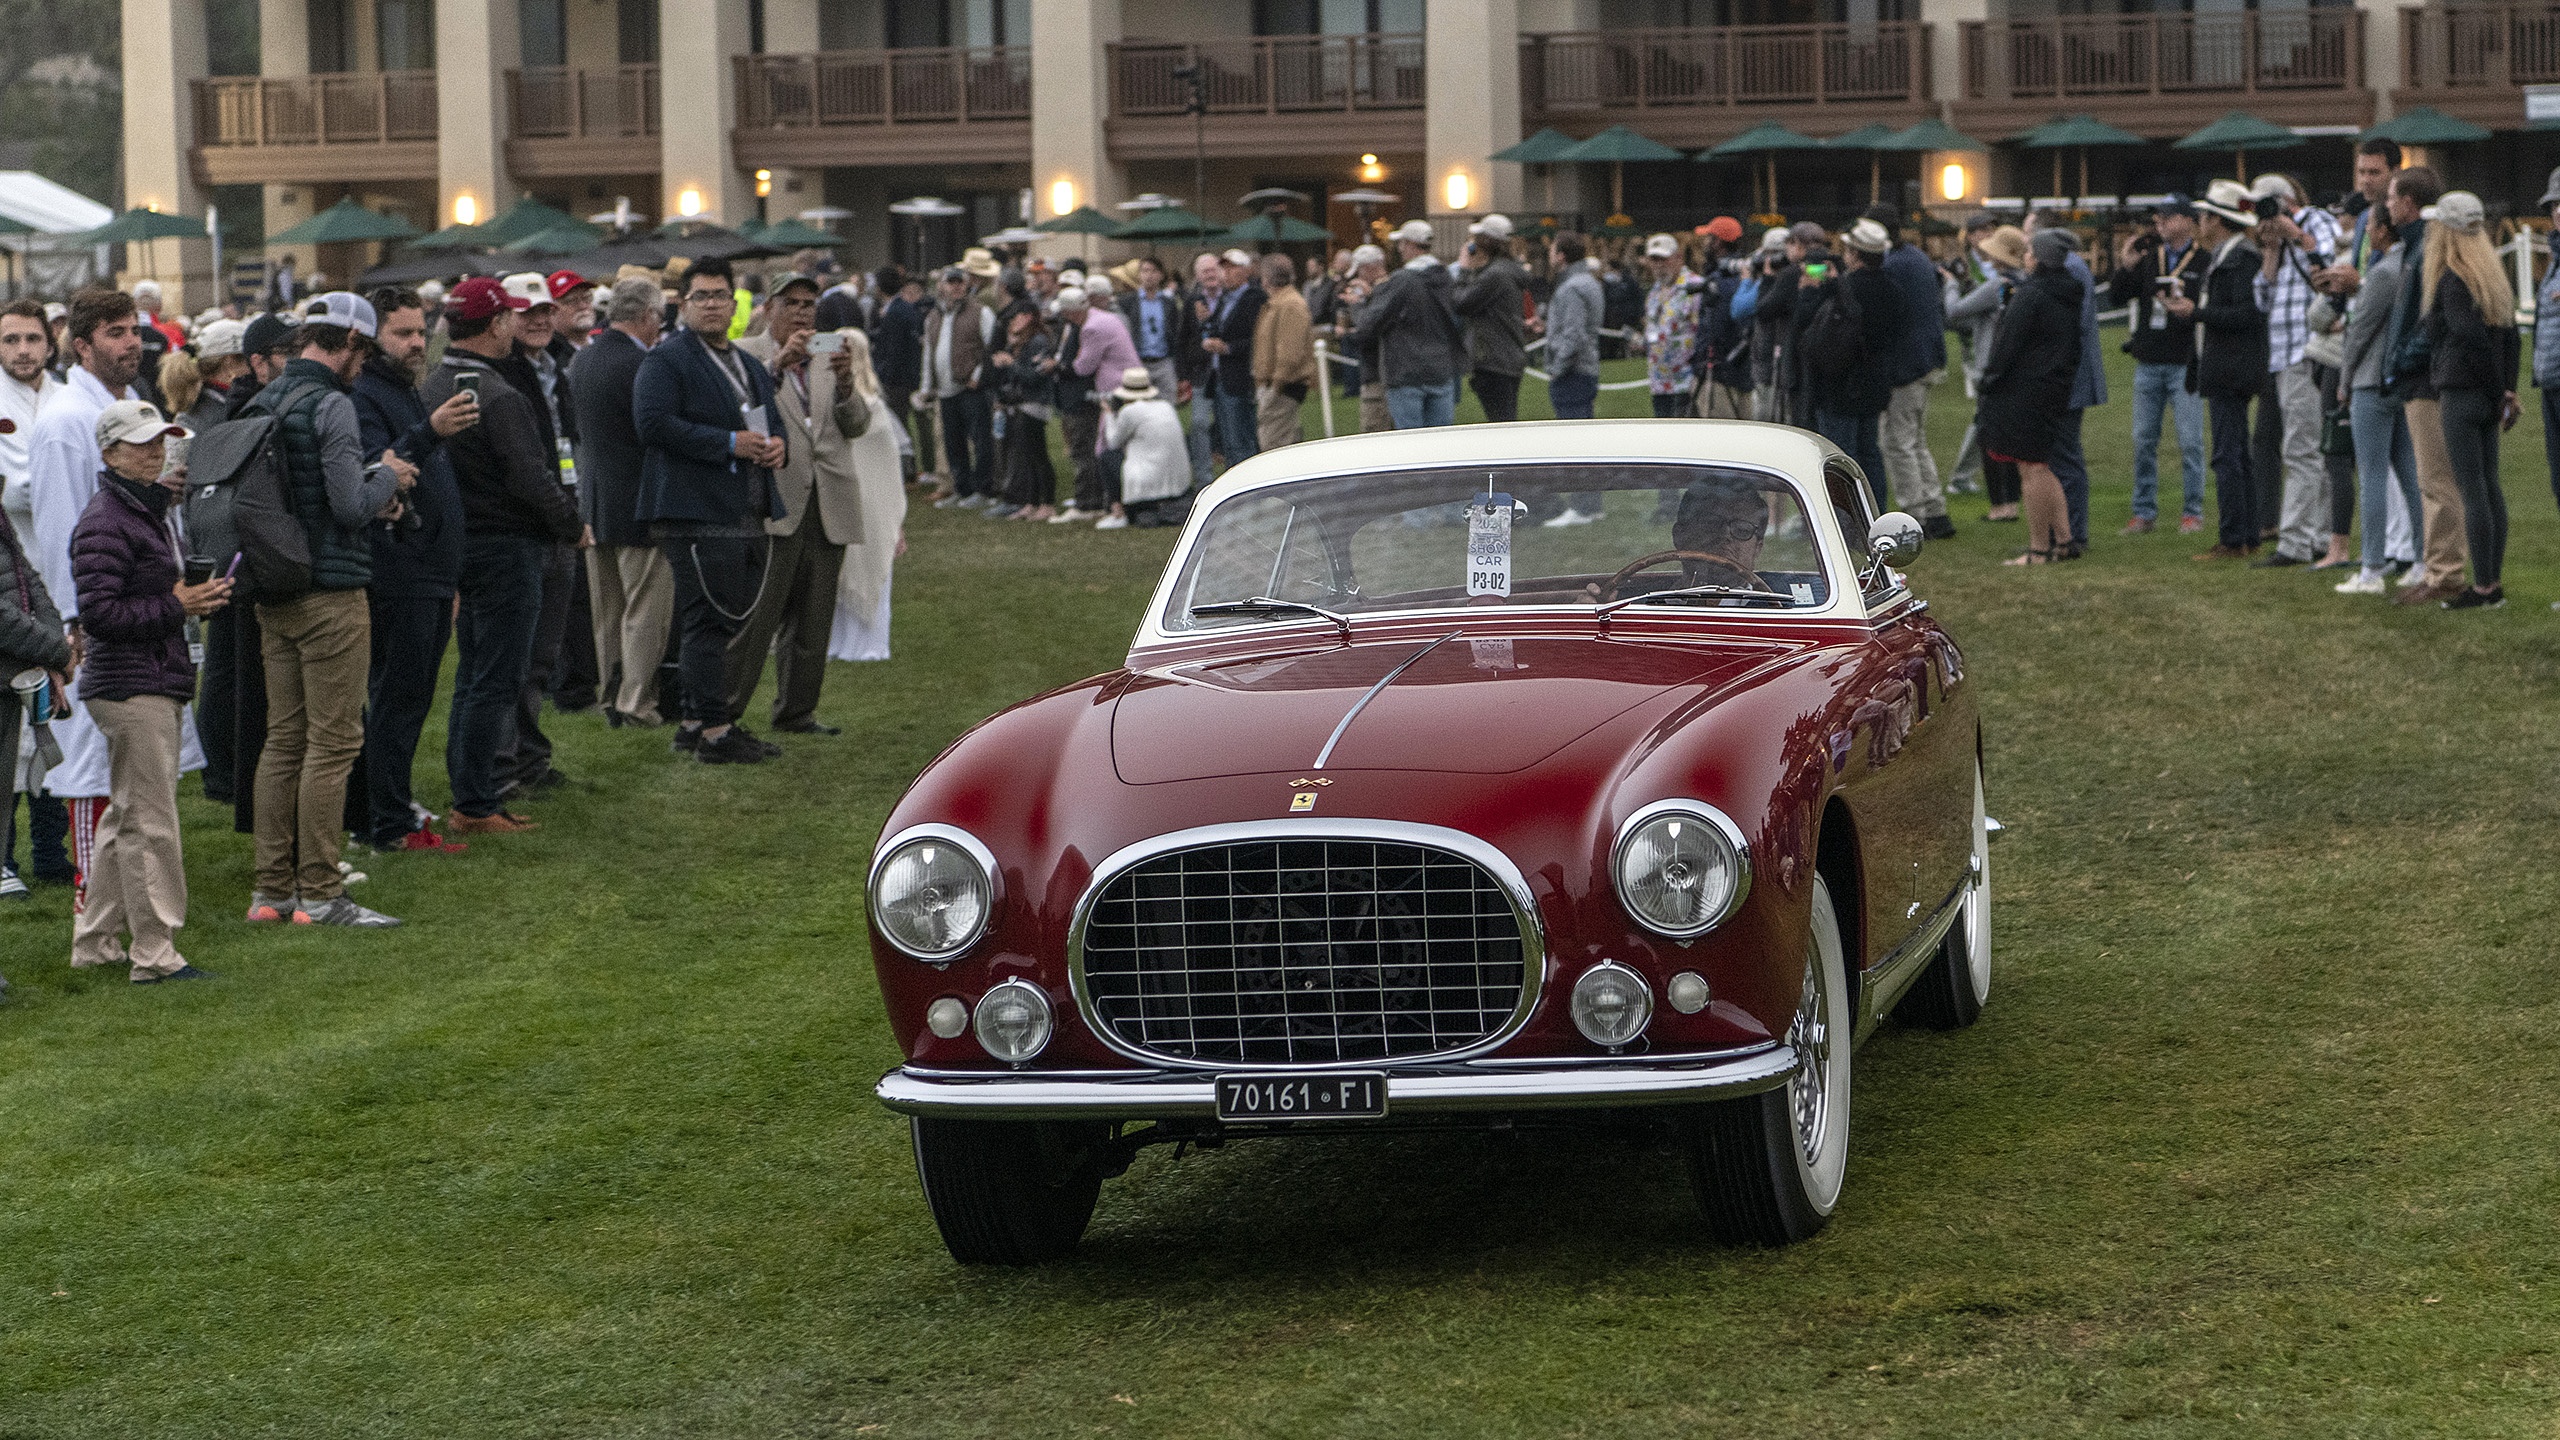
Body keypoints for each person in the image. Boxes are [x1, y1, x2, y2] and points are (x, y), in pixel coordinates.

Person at [26, 288, 206, 904]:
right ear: (81, 345)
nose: (131, 342)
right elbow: (56, 529)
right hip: (97, 612)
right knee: (92, 762)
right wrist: (69, 621)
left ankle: (130, 894)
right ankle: (91, 891)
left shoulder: (134, 404)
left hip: (144, 601)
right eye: (114, 332)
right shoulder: (62, 420)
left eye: (133, 330)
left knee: (139, 770)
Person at [242, 293, 409, 928]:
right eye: (361, 354)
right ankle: (320, 892)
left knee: (283, 741)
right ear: (349, 346)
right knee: (333, 744)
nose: (362, 367)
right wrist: (388, 476)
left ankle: (271, 892)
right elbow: (347, 504)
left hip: (272, 591)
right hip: (331, 592)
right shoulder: (331, 403)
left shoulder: (265, 398)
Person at [70, 399, 227, 981]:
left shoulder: (143, 511)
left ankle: (95, 943)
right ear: (109, 453)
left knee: (126, 817)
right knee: (152, 823)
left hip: (146, 679)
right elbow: (100, 615)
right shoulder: (108, 519)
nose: (155, 451)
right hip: (132, 685)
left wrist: (189, 600)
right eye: (140, 443)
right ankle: (155, 955)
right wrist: (177, 603)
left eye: (160, 439)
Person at [424, 278, 583, 830]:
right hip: (507, 547)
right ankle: (475, 803)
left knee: (472, 674)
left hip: (457, 545)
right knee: (495, 678)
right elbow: (529, 478)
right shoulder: (500, 394)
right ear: (496, 326)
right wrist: (570, 524)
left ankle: (471, 794)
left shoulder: (434, 384)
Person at [633, 256, 787, 766]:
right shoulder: (667, 359)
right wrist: (727, 443)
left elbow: (767, 422)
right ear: (683, 303)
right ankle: (718, 732)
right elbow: (652, 423)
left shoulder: (746, 363)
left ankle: (696, 721)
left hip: (743, 507)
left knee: (716, 619)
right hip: (694, 510)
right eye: (702, 296)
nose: (714, 305)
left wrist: (775, 446)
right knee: (709, 622)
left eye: (722, 295)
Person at [354, 287, 478, 855]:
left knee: (409, 695)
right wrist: (431, 430)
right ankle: (388, 822)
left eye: (420, 332)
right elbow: (383, 470)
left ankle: (390, 806)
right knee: (398, 696)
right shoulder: (365, 395)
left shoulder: (406, 390)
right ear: (370, 336)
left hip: (429, 565)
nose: (415, 343)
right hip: (399, 567)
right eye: (401, 333)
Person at [729, 277, 869, 734]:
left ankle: (797, 711)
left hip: (829, 499)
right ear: (769, 308)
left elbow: (856, 426)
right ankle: (725, 715)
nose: (804, 313)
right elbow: (739, 413)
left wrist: (847, 382)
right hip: (776, 499)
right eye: (792, 303)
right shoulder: (746, 354)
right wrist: (775, 366)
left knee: (814, 619)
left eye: (810, 304)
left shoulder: (831, 352)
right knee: (758, 618)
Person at [570, 275, 673, 728]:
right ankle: (637, 702)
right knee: (644, 608)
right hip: (640, 501)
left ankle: (610, 693)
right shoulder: (643, 364)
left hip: (596, 500)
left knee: (606, 612)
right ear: (649, 316)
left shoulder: (584, 359)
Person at [2417, 191, 2518, 611]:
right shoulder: (2490, 276)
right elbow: (2508, 338)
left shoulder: (2452, 278)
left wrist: (2496, 389)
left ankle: (2483, 587)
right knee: (2490, 487)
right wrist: (2505, 390)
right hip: (2488, 394)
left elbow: (2466, 334)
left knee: (2471, 490)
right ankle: (2491, 583)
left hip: (2461, 392)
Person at [2242, 173, 2343, 567]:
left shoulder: (2315, 221)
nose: (2262, 217)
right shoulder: (2275, 245)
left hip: (2311, 349)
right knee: (2311, 446)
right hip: (2284, 353)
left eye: (2266, 207)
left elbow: (2334, 268)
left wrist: (2297, 235)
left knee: (2302, 448)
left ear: (2285, 202)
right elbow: (2262, 299)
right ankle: (2316, 536)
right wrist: (2271, 249)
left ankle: (2296, 542)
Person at [2380, 166, 2468, 606]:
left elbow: (2429, 320)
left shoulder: (2428, 247)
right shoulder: (2415, 246)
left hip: (2428, 378)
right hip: (2420, 376)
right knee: (2429, 478)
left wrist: (2398, 361)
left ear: (2410, 203)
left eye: (2392, 198)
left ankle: (2446, 573)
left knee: (2437, 479)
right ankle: (2437, 568)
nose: (2387, 205)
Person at [2172, 181, 2272, 561]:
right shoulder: (2233, 256)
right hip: (2229, 366)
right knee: (2236, 454)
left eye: (2203, 215)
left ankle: (2234, 538)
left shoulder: (2239, 259)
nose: (2199, 222)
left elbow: (2246, 313)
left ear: (2217, 219)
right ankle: (2246, 535)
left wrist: (2195, 312)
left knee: (2228, 455)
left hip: (2231, 368)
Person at [1977, 230, 2086, 566]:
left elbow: (2009, 344)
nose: (2025, 257)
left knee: (2032, 469)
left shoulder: (2032, 294)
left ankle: (2039, 549)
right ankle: (2064, 540)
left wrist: (1989, 380)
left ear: (2038, 258)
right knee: (2043, 465)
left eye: (2029, 252)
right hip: (2054, 387)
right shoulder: (2068, 291)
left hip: (2026, 390)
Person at [2335, 206, 2423, 597]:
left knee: (2371, 474)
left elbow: (2359, 332)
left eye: (2369, 224)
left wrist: (2344, 379)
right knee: (2409, 474)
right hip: (2398, 383)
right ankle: (2421, 559)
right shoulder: (2408, 265)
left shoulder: (2384, 272)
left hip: (2372, 383)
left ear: (2383, 230)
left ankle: (2371, 568)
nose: (2365, 231)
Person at [2109, 199, 2208, 535]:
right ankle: (2143, 512)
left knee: (2191, 441)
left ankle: (2192, 512)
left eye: (2168, 217)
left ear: (2189, 221)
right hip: (2149, 359)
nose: (2160, 222)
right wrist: (2126, 265)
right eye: (2158, 217)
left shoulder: (2204, 261)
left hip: (2184, 361)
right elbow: (2117, 297)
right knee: (2143, 440)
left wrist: (2190, 308)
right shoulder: (2151, 257)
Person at [0, 463, 71, 912]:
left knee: (22, 767)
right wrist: (58, 651)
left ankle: (37, 856)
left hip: (13, 670)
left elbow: (29, 582)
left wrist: (52, 651)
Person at [823, 328, 909, 663]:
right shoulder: (832, 404)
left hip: (871, 503)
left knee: (867, 562)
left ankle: (866, 643)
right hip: (842, 496)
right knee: (839, 568)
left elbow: (886, 468)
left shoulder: (872, 408)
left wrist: (895, 519)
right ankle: (840, 642)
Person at [1868, 206, 1953, 539]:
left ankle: (1913, 516)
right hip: (1926, 357)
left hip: (1905, 363)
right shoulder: (1915, 257)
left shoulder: (1894, 265)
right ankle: (1935, 509)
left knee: (1898, 443)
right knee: (1915, 441)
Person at [1805, 219, 1901, 510]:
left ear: (1854, 253)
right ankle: (1875, 512)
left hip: (1841, 384)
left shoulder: (1846, 290)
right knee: (1870, 452)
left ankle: (1846, 519)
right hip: (1874, 381)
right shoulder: (1893, 288)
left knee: (1840, 456)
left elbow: (1821, 337)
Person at [2022, 212, 2105, 548]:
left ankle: (2071, 534)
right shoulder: (2074, 267)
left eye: (2029, 238)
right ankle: (2065, 532)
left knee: (2064, 456)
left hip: (2068, 377)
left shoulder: (2067, 271)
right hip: (2070, 374)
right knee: (2062, 455)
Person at [1945, 225, 2027, 522]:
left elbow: (1955, 312)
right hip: (2017, 370)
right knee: (2012, 437)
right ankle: (2014, 501)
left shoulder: (1997, 286)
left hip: (1989, 368)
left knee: (1989, 436)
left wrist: (1951, 284)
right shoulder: (2024, 282)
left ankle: (2000, 505)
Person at [1539, 232, 1608, 526]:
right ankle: (1591, 505)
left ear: (1561, 255)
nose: (1550, 256)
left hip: (1574, 372)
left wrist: (1558, 366)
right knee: (1585, 442)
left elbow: (1574, 334)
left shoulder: (1571, 287)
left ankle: (1582, 507)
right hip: (1586, 368)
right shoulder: (1589, 281)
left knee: (1575, 445)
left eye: (1553, 250)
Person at [918, 267, 996, 507]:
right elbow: (928, 352)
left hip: (970, 386)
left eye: (960, 282)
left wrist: (978, 375)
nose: (956, 287)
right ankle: (961, 489)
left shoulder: (980, 312)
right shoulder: (934, 316)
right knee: (953, 442)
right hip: (945, 389)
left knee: (980, 439)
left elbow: (991, 346)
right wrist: (926, 386)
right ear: (942, 286)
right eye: (951, 283)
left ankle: (983, 490)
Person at [1060, 284, 1139, 522]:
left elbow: (1084, 366)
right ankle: (1114, 501)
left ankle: (1115, 505)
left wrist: (1061, 365)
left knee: (1105, 448)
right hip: (1128, 384)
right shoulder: (1103, 317)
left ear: (1070, 313)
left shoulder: (1092, 328)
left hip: (1115, 390)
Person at [1450, 214, 1528, 424]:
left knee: (1501, 424)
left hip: (1493, 360)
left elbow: (1461, 303)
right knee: (1505, 420)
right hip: (1508, 357)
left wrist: (1464, 270)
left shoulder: (1495, 276)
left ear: (1484, 243)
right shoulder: (1508, 271)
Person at [1096, 367, 1189, 530]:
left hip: (1146, 485)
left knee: (1106, 457)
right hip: (1177, 484)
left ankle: (1118, 512)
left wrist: (1109, 415)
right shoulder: (1165, 406)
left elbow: (1113, 442)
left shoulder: (1130, 412)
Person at [1197, 248, 1266, 466]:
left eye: (1231, 268)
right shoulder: (1226, 299)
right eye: (1223, 268)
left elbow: (1257, 339)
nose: (1225, 274)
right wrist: (1207, 325)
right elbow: (1219, 329)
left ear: (1245, 271)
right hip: (1220, 376)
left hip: (1239, 376)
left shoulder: (1253, 298)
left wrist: (1228, 348)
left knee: (1241, 439)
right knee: (1227, 439)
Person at [991, 307, 1057, 520]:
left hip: (1033, 404)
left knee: (1038, 455)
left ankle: (1047, 503)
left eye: (1016, 316)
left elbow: (1033, 376)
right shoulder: (1020, 343)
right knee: (1026, 456)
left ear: (1027, 317)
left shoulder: (1038, 342)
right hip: (1019, 404)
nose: (1012, 321)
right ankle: (1032, 501)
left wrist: (1011, 364)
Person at [1250, 253, 1314, 453]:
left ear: (1266, 278)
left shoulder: (1290, 305)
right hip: (1274, 384)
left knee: (1274, 447)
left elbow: (1290, 352)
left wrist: (1275, 386)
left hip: (1283, 387)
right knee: (1275, 442)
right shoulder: (1278, 302)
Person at [1639, 232, 1705, 424]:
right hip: (1658, 380)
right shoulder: (1654, 291)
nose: (1658, 265)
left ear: (1678, 258)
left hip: (1686, 380)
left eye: (1663, 259)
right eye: (1654, 259)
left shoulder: (1694, 286)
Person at [868, 267, 925, 484]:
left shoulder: (894, 312)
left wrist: (883, 377)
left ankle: (905, 470)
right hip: (908, 375)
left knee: (897, 426)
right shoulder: (905, 308)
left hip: (896, 379)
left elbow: (893, 351)